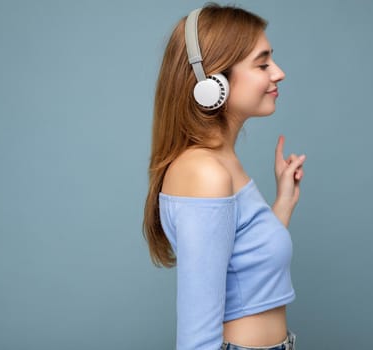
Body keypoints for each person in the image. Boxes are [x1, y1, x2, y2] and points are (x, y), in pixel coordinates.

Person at [143, 3, 305, 350]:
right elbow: (196, 336)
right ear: (212, 82)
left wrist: (283, 204)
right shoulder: (204, 172)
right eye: (262, 64)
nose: (279, 73)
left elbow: (248, 272)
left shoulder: (221, 161)